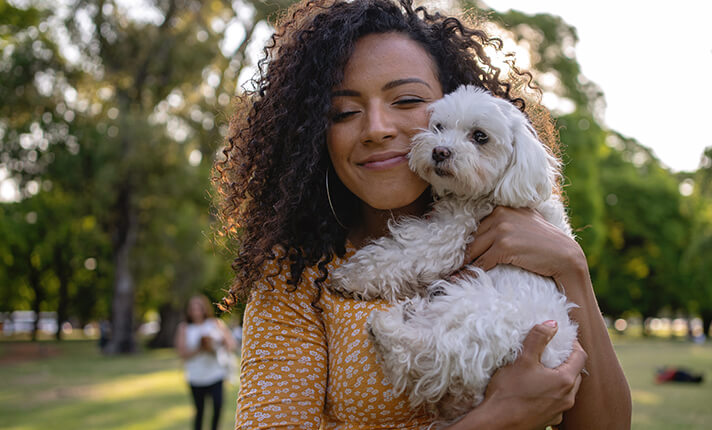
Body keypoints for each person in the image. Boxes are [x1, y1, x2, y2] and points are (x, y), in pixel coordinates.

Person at [214, 0, 632, 428]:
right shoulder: (295, 276)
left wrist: (572, 267)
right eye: (344, 112)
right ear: (314, 133)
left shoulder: (529, 233)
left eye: (408, 100)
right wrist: (499, 417)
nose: (377, 128)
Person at [175, 295, 237, 430]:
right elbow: (181, 353)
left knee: (217, 406)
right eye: (193, 308)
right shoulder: (184, 328)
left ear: (204, 309)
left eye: (199, 308)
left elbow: (231, 344)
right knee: (200, 411)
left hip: (216, 374)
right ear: (189, 311)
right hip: (196, 376)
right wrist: (200, 349)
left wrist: (216, 345)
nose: (196, 311)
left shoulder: (215, 324)